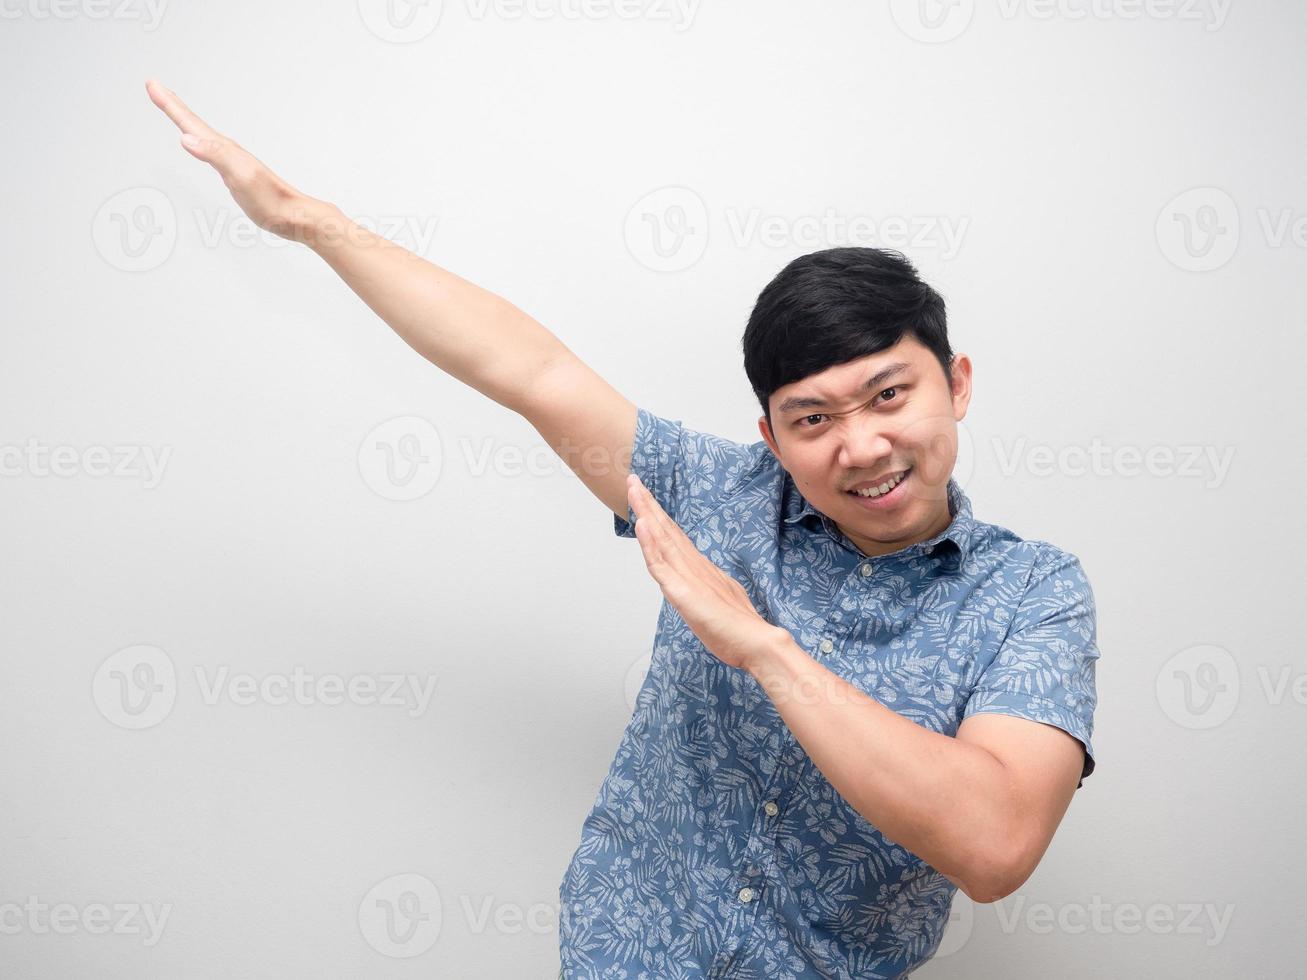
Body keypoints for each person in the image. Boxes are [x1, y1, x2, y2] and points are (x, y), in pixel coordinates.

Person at [147, 79, 1100, 980]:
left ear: (956, 382)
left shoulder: (1032, 595)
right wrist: (308, 221)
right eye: (813, 419)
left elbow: (993, 845)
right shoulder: (716, 492)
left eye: (888, 395)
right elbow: (529, 368)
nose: (860, 446)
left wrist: (764, 650)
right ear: (770, 436)